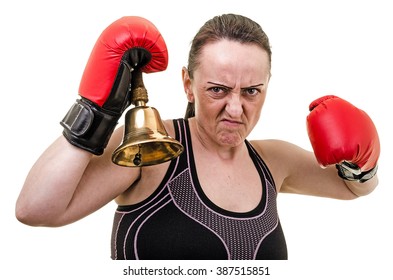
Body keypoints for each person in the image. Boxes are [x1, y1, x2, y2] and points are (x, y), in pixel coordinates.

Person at [15, 14, 380, 260]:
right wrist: (95, 113)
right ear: (188, 84)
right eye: (218, 90)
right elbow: (35, 210)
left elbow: (352, 188)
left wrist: (365, 162)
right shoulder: (150, 149)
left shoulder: (273, 161)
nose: (235, 109)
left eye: (251, 91)